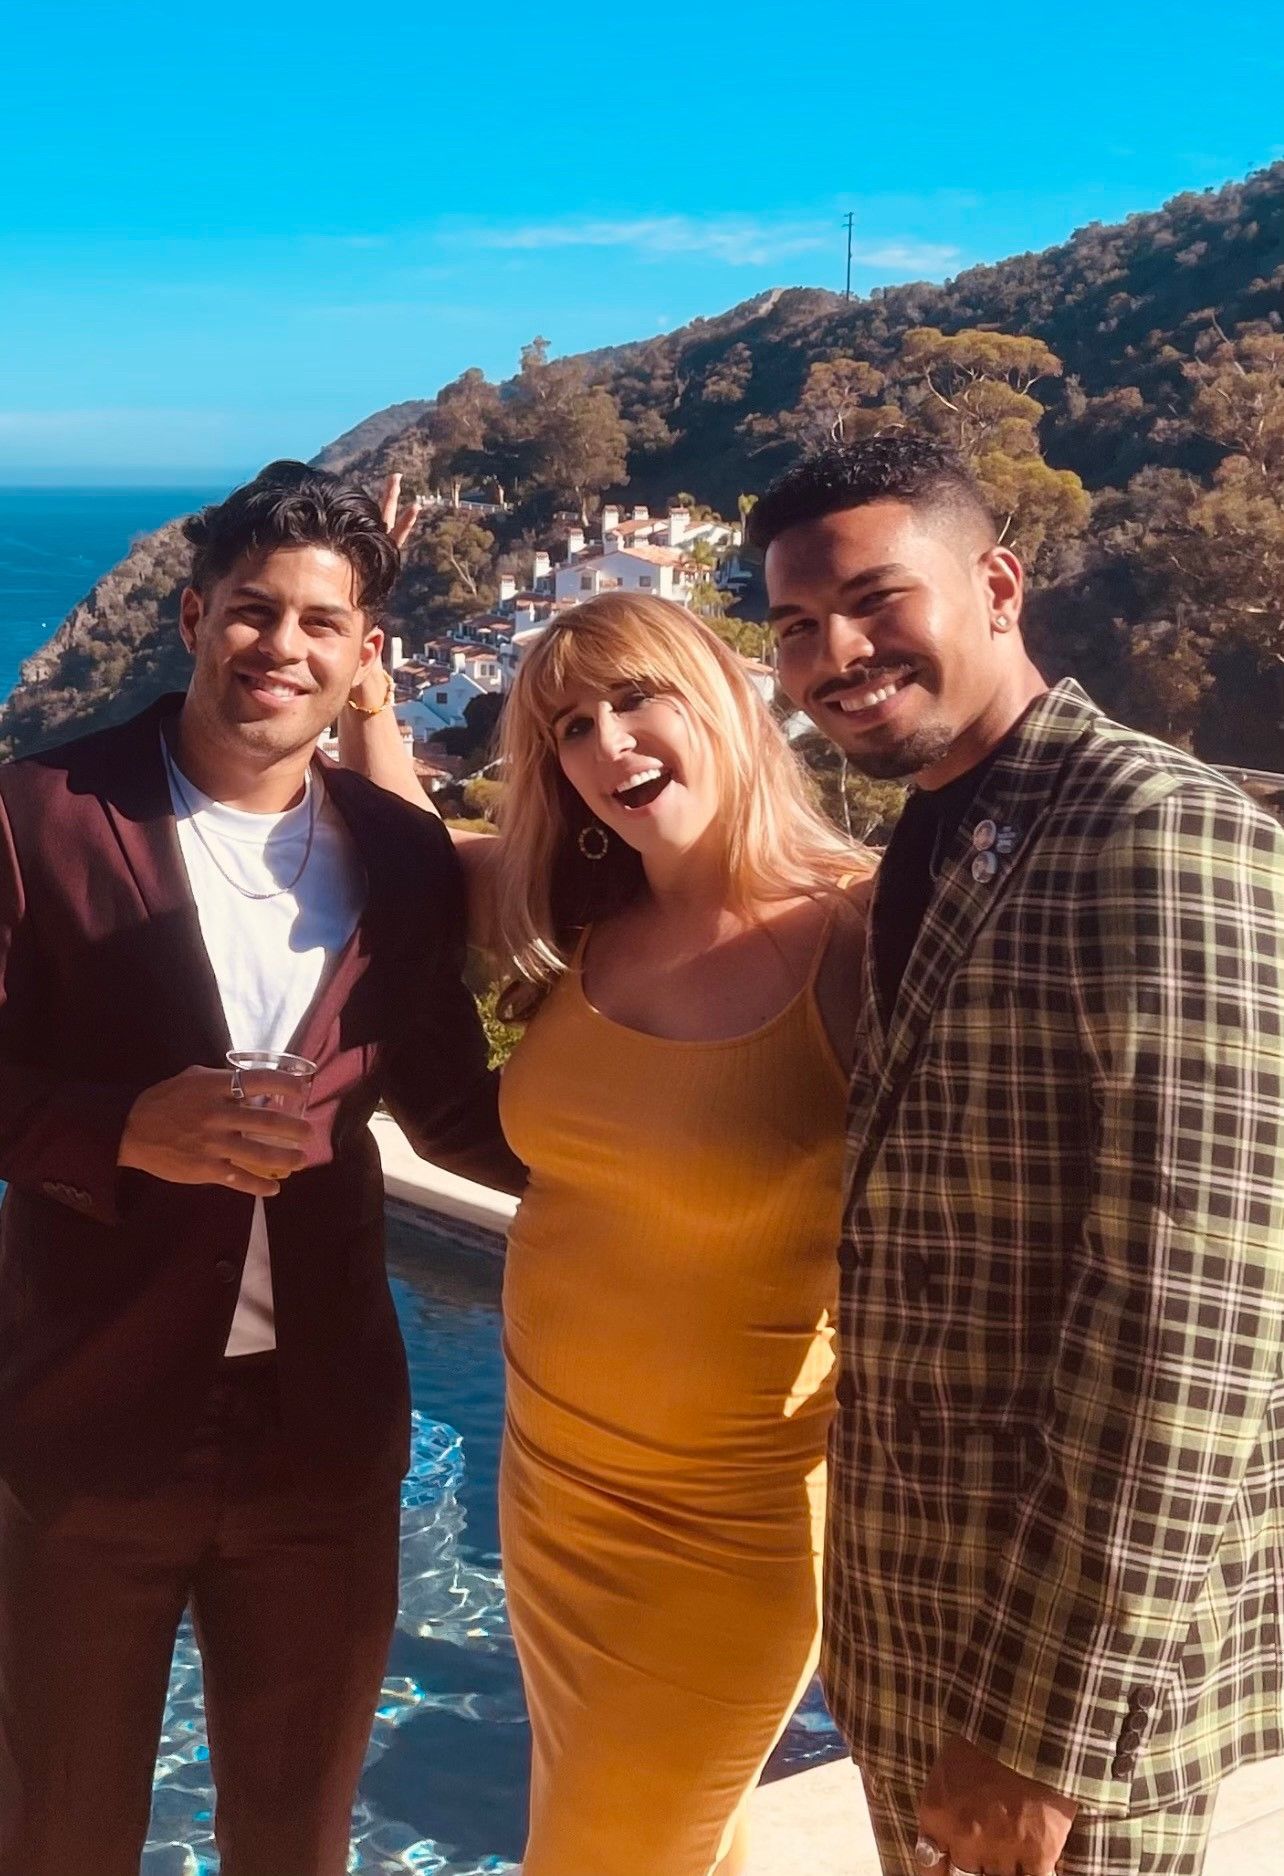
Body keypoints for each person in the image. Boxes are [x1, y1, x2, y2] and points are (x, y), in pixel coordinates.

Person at [748, 430, 1284, 1876]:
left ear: (996, 583)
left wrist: (1047, 1727)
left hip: (1058, 1695)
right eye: (797, 627)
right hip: (917, 1634)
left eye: (877, 600)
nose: (837, 654)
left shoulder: (1157, 837)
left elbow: (1201, 1325)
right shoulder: (933, 834)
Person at [0, 461, 522, 1876]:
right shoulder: (36, 813)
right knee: (59, 1835)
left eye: (320, 624)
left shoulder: (403, 858)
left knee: (295, 1837)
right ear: (190, 616)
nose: (281, 646)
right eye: (253, 610)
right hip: (87, 1425)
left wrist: (666, 1124)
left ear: (363, 659)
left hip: (323, 1438)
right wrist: (119, 1126)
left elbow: (456, 1111)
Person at [341, 584, 872, 1875]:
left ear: (729, 698)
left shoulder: (865, 939)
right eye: (571, 725)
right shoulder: (581, 926)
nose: (608, 743)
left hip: (726, 1527)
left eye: (638, 697)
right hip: (552, 1484)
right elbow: (407, 851)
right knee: (669, 1840)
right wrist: (365, 686)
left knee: (602, 1851)